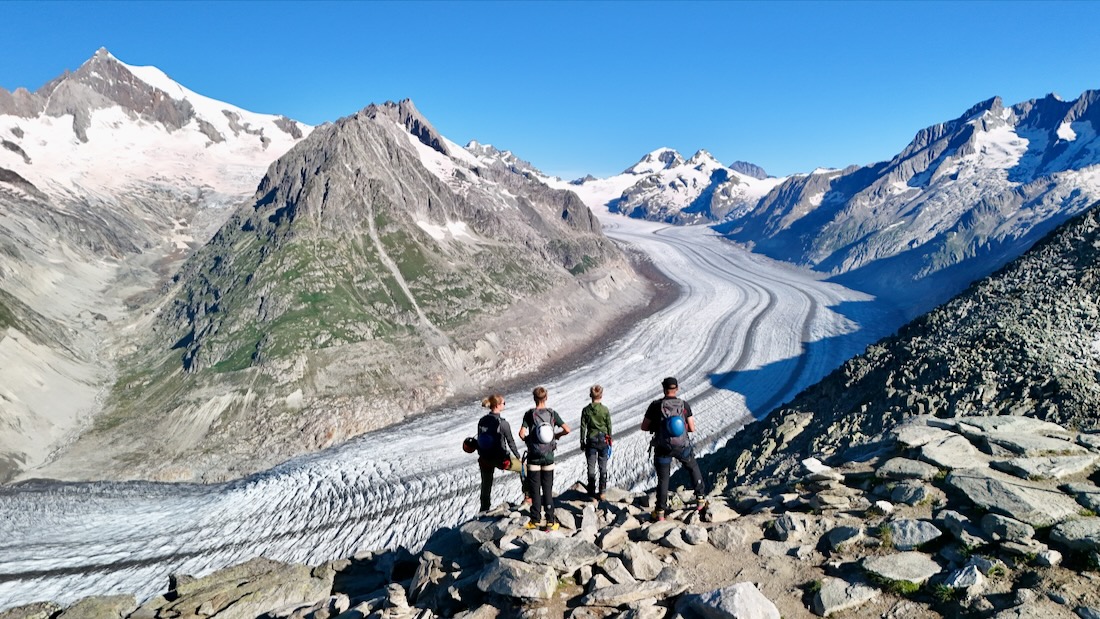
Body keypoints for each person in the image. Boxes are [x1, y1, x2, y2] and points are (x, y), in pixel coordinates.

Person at [640, 376, 707, 521]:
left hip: (662, 447)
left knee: (663, 479)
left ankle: (660, 512)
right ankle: (700, 499)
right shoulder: (684, 405)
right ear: (676, 389)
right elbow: (692, 428)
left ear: (663, 389)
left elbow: (644, 426)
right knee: (692, 467)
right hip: (682, 446)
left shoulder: (656, 405)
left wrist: (660, 427)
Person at [518, 386, 571, 531]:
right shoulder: (552, 414)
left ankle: (535, 519)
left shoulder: (529, 414)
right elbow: (567, 429)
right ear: (546, 398)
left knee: (534, 490)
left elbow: (521, 434)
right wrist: (556, 436)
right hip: (548, 457)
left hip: (534, 457)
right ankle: (550, 520)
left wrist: (530, 441)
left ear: (534, 398)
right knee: (547, 489)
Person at [474, 393, 523, 513]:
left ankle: (484, 509)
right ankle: (528, 497)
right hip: (501, 459)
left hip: (485, 458)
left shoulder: (482, 421)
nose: (504, 405)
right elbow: (510, 442)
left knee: (486, 484)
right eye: (504, 403)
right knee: (524, 469)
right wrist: (518, 457)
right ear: (498, 405)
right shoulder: (503, 423)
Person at [579, 384, 612, 500]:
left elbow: (583, 427)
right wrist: (609, 439)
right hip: (603, 440)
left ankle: (591, 491)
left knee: (591, 467)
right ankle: (602, 491)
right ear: (601, 395)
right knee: (603, 466)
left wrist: (582, 441)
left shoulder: (586, 410)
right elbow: (609, 426)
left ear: (590, 395)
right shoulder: (605, 410)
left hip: (591, 441)